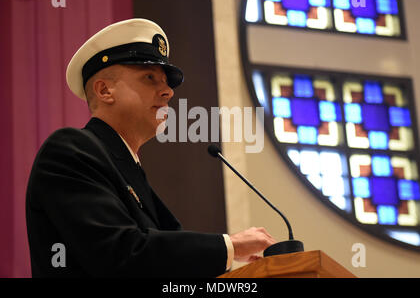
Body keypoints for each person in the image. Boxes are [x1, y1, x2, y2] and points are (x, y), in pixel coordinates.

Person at [25, 18, 276, 278]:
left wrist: (229, 258)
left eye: (166, 81)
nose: (168, 91)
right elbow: (120, 254)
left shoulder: (129, 170)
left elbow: (161, 261)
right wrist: (229, 246)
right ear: (104, 90)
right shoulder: (70, 151)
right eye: (149, 77)